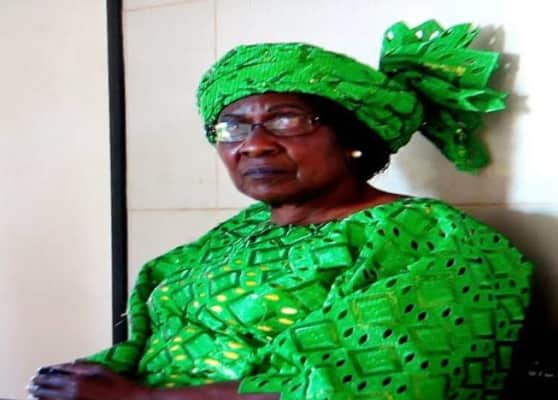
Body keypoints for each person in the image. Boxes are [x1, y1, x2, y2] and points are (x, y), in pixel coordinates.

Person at [29, 20, 532, 400]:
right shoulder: (238, 233)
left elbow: (364, 383)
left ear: (352, 136)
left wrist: (138, 398)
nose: (254, 144)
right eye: (232, 126)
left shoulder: (432, 238)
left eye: (286, 119)